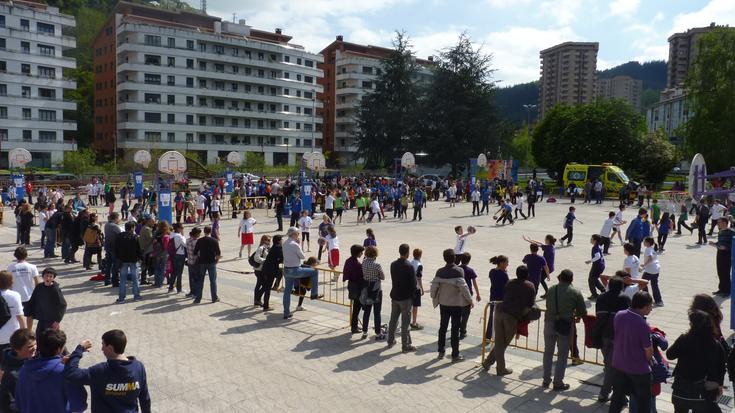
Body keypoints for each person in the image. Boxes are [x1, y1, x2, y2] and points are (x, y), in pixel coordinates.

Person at [64, 329, 152, 413]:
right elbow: (145, 399)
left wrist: (79, 350)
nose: (102, 349)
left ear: (110, 348)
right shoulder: (138, 367)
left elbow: (72, 374)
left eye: (103, 345)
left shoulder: (99, 372)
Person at [666, 310, 725, 413]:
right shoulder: (715, 344)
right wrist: (719, 384)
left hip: (681, 389)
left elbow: (669, 355)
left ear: (692, 324)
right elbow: (721, 367)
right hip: (704, 393)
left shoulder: (684, 339)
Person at [482, 263, 535, 374]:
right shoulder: (530, 286)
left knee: (499, 342)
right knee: (503, 343)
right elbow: (530, 305)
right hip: (511, 316)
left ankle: (488, 362)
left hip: (499, 311)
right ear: (527, 275)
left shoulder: (510, 282)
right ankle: (500, 369)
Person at [608, 291, 655, 413]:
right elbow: (648, 352)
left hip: (618, 365)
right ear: (644, 307)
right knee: (643, 403)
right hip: (638, 370)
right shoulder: (643, 325)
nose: (651, 309)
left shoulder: (619, 315)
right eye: (650, 306)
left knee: (617, 399)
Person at [15, 329, 83, 412]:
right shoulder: (65, 372)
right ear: (58, 349)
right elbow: (79, 406)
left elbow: (19, 404)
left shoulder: (23, 371)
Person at [542, 269, 586, 391]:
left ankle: (546, 379)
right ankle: (558, 382)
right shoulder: (575, 292)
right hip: (565, 325)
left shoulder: (551, 289)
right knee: (562, 354)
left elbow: (547, 305)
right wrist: (575, 315)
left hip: (549, 322)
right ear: (571, 279)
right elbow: (582, 311)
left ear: (560, 277)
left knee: (548, 352)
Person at [592, 276, 631, 403]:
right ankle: (605, 394)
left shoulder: (601, 297)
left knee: (611, 365)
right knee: (612, 366)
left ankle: (620, 394)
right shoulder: (625, 298)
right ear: (621, 286)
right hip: (617, 337)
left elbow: (598, 316)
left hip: (603, 335)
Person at [430, 249, 472, 361]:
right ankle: (455, 355)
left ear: (444, 258)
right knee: (455, 329)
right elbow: (464, 288)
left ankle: (441, 351)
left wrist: (433, 296)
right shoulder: (459, 271)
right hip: (456, 305)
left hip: (443, 303)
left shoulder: (439, 272)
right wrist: (470, 300)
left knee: (442, 327)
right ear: (454, 258)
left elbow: (434, 287)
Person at [282, 227, 322, 319]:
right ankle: (314, 294)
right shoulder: (294, 244)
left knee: (287, 292)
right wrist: (299, 245)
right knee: (315, 272)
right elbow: (303, 256)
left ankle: (286, 313)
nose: (298, 235)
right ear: (294, 234)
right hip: (295, 269)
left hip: (287, 269)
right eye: (298, 234)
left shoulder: (285, 243)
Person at [387, 244, 416, 353]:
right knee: (405, 322)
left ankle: (390, 340)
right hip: (405, 298)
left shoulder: (393, 264)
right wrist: (412, 296)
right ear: (408, 253)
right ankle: (406, 345)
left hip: (395, 296)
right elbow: (413, 284)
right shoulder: (409, 266)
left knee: (393, 320)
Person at [24, 267, 66, 338]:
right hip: (42, 318)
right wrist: (28, 311)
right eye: (46, 276)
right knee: (39, 337)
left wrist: (57, 320)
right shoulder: (39, 287)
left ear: (53, 278)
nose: (48, 278)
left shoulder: (55, 289)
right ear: (43, 277)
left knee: (51, 339)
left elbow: (62, 305)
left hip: (51, 320)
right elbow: (33, 300)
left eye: (51, 276)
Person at [0, 329, 36, 413]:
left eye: (35, 344)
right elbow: (8, 404)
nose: (34, 348)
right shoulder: (11, 374)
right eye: (30, 346)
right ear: (17, 349)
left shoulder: (32, 357)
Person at [360, 246, 385, 340]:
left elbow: (363, 274)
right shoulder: (377, 265)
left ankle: (364, 331)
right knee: (377, 312)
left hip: (367, 289)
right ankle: (378, 333)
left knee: (367, 311)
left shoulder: (364, 262)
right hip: (376, 290)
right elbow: (383, 277)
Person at [192, 226, 221, 304]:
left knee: (200, 281)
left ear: (204, 232)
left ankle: (198, 298)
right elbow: (218, 254)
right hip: (212, 262)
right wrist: (216, 261)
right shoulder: (214, 241)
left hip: (202, 263)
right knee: (213, 281)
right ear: (210, 231)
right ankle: (214, 297)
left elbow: (195, 253)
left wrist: (200, 257)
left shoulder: (199, 241)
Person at [0, 271, 26, 357]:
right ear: (11, 282)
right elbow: (20, 317)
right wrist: (25, 336)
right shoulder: (14, 295)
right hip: (11, 336)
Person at [7, 247, 39, 315]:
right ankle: (28, 326)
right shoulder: (32, 267)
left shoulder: (10, 268)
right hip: (29, 295)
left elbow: (9, 283)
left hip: (15, 296)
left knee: (17, 316)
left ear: (15, 255)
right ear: (26, 255)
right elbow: (37, 283)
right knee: (30, 316)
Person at [116, 221, 142, 303]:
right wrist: (140, 258)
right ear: (131, 228)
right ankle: (136, 296)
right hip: (133, 260)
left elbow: (116, 248)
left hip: (122, 260)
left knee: (123, 280)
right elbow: (139, 249)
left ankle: (121, 298)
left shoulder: (120, 236)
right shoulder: (135, 237)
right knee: (135, 279)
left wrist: (118, 257)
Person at [458, 253, 481, 340]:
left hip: (458, 293)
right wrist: (478, 294)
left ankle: (456, 328)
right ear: (469, 261)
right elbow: (474, 282)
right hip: (467, 293)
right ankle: (463, 330)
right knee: (465, 314)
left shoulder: (457, 269)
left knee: (457, 312)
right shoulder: (470, 270)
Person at [342, 245, 365, 334]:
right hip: (357, 287)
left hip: (351, 285)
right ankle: (354, 327)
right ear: (357, 253)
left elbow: (345, 274)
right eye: (361, 252)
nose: (362, 253)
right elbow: (360, 278)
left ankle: (354, 325)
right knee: (356, 308)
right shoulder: (357, 264)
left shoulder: (348, 260)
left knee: (355, 308)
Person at [710, 217, 734, 297]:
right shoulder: (720, 232)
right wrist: (714, 244)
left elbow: (732, 244)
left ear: (724, 223)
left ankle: (727, 291)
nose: (717, 224)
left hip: (727, 255)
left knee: (726, 273)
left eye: (719, 222)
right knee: (720, 272)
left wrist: (726, 248)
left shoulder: (731, 232)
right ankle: (721, 289)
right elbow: (720, 242)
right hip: (719, 253)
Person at [259, 235, 283, 311]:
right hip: (270, 271)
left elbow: (277, 259)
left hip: (267, 269)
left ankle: (258, 299)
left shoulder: (274, 247)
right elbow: (282, 259)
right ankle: (266, 306)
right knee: (267, 288)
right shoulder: (278, 249)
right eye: (282, 240)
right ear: (279, 241)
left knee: (266, 287)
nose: (282, 241)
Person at [640, 237, 663, 307]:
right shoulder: (653, 249)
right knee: (654, 285)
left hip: (650, 270)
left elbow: (650, 258)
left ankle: (646, 299)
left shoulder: (648, 249)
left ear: (648, 243)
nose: (643, 243)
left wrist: (644, 265)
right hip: (656, 269)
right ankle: (659, 301)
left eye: (644, 241)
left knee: (642, 283)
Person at [103, 213, 122, 287]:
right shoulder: (115, 226)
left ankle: (107, 279)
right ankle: (115, 281)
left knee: (108, 264)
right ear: (116, 218)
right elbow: (120, 236)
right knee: (115, 265)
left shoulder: (106, 224)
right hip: (114, 248)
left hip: (108, 246)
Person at [585, 234, 606, 300]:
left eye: (592, 239)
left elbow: (598, 256)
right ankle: (603, 290)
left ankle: (594, 295)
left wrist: (590, 261)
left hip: (597, 266)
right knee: (594, 279)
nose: (591, 240)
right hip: (601, 265)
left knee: (591, 280)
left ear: (595, 240)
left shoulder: (595, 247)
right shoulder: (599, 246)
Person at [168, 223, 187, 294]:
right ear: (178, 228)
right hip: (180, 255)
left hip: (174, 255)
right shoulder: (179, 236)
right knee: (179, 273)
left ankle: (170, 287)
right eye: (182, 228)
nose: (182, 229)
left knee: (174, 272)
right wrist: (183, 235)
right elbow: (185, 244)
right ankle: (179, 288)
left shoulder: (171, 235)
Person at [252, 235, 271, 307]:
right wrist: (265, 261)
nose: (269, 242)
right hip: (259, 270)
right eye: (268, 240)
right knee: (265, 285)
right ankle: (257, 299)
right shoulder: (261, 248)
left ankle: (256, 301)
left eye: (270, 240)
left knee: (259, 284)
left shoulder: (267, 248)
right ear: (263, 240)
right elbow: (256, 258)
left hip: (261, 269)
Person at [409, 248, 424, 330]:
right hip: (416, 287)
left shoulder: (410, 262)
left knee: (409, 305)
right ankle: (414, 322)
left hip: (409, 287)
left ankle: (407, 321)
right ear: (420, 255)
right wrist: (422, 288)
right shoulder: (419, 265)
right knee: (415, 306)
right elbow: (419, 278)